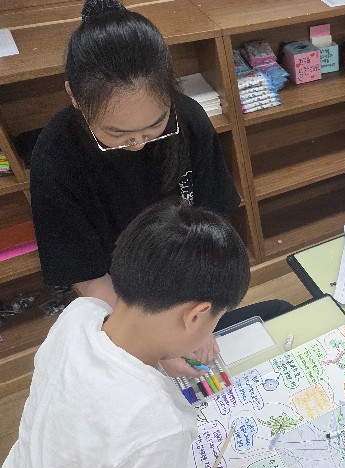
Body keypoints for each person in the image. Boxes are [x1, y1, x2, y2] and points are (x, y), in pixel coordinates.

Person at [29, 0, 290, 375]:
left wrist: (200, 321)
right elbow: (88, 275)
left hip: (189, 291)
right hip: (122, 305)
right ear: (74, 97)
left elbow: (212, 231)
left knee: (275, 318)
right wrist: (154, 345)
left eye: (154, 126)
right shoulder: (57, 158)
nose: (138, 144)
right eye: (117, 133)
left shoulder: (190, 120)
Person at [0, 198, 246, 468]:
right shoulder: (161, 426)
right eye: (215, 321)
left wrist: (161, 355)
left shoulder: (79, 314)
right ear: (196, 315)